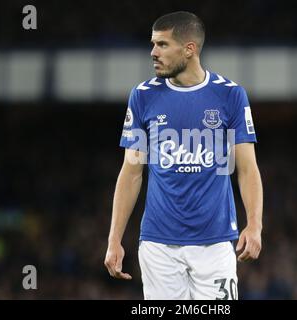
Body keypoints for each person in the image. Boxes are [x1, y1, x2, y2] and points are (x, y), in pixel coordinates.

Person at [104, 11, 263, 300]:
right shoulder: (142, 96)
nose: (153, 52)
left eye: (162, 45)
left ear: (189, 49)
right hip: (158, 244)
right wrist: (114, 238)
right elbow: (132, 171)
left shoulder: (230, 96)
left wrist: (254, 225)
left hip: (215, 244)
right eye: (153, 44)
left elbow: (248, 169)